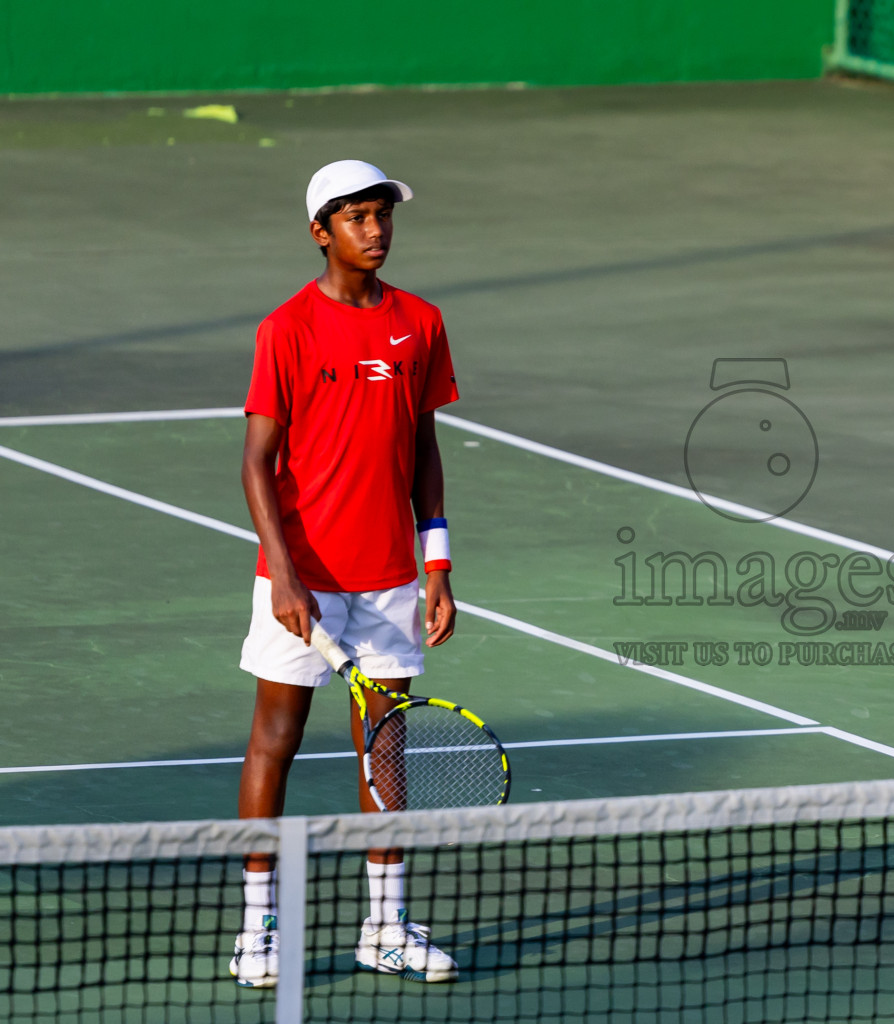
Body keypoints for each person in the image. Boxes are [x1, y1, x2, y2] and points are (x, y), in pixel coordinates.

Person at [229, 159, 461, 988]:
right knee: (276, 740)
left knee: (385, 749)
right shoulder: (285, 330)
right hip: (303, 577)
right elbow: (258, 463)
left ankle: (386, 927)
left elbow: (423, 450)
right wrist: (284, 576)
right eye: (356, 218)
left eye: (382, 216)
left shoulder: (421, 324)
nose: (375, 230)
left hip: (390, 578)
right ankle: (257, 932)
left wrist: (435, 563)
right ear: (320, 231)